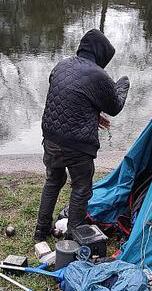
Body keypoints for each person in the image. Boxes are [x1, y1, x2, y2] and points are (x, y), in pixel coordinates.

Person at [34, 29, 130, 243]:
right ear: (101, 54)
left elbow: (70, 98)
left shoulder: (61, 66)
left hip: (51, 137)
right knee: (81, 187)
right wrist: (123, 84)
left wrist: (93, 115)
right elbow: (114, 106)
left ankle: (40, 231)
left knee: (53, 180)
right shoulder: (99, 75)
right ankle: (72, 237)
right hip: (77, 144)